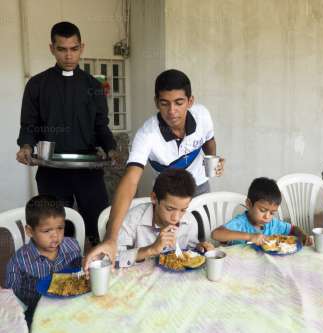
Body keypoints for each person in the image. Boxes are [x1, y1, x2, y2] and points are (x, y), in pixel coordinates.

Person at [84, 69, 224, 272]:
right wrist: (111, 238)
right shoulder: (147, 134)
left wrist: (213, 159)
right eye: (164, 103)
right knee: (161, 245)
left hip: (200, 185)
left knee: (199, 243)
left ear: (190, 101)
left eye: (179, 102)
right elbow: (130, 181)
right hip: (168, 193)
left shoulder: (202, 115)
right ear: (156, 102)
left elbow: (209, 140)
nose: (172, 111)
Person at [16, 22, 118, 244]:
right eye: (62, 49)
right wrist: (25, 146)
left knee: (99, 224)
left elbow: (101, 125)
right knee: (57, 231)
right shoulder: (37, 84)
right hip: (52, 169)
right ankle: (62, 273)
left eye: (74, 49)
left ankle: (97, 268)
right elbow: (29, 125)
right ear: (52, 49)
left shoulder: (94, 85)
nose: (69, 56)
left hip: (88, 168)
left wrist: (111, 148)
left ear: (82, 47)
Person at [5, 195, 82, 327]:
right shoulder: (18, 262)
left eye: (60, 228)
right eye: (47, 231)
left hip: (72, 303)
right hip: (37, 312)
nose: (55, 236)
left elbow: (80, 273)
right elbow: (12, 298)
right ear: (30, 231)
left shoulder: (72, 246)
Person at [117, 169, 214, 263]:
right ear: (154, 198)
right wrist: (150, 249)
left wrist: (200, 248)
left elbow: (190, 250)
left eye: (183, 210)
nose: (176, 218)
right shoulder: (133, 218)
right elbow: (111, 259)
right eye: (170, 209)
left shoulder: (189, 220)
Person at [211, 177, 310, 245]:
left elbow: (293, 229)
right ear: (249, 204)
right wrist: (250, 236)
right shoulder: (240, 224)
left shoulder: (272, 223)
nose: (267, 217)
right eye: (263, 210)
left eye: (272, 213)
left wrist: (303, 236)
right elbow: (216, 234)